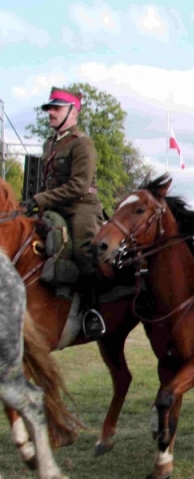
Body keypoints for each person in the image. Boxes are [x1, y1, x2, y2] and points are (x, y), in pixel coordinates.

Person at [20, 87, 106, 340]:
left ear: (73, 112)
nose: (51, 113)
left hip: (81, 207)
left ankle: (92, 312)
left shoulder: (82, 143)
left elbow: (78, 186)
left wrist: (39, 199)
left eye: (56, 108)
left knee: (83, 252)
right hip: (53, 207)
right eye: (49, 109)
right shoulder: (50, 143)